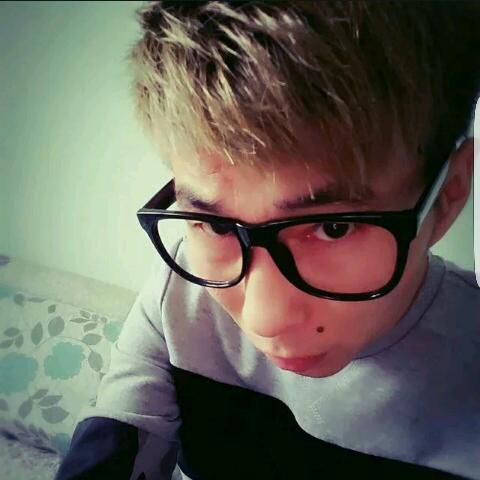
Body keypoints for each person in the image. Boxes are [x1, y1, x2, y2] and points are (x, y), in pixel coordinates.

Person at [54, 1, 480, 479]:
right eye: (217, 226)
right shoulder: (180, 291)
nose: (263, 320)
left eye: (334, 228)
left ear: (448, 195)